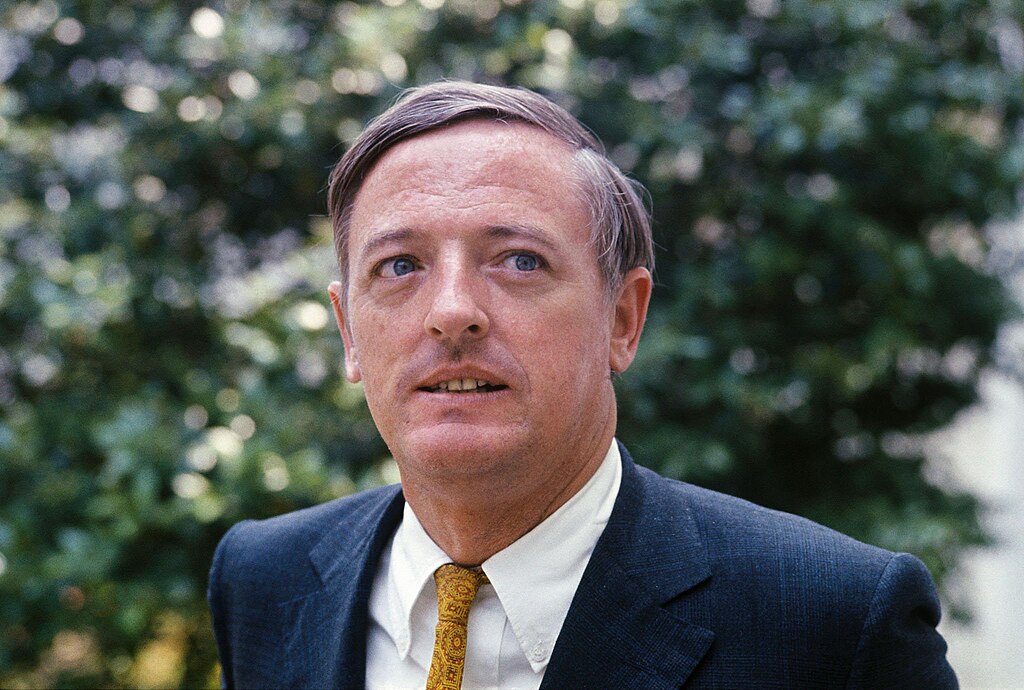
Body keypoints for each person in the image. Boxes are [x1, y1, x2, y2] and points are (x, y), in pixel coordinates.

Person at [208, 81, 956, 689]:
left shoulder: (832, 625)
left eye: (519, 260)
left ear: (623, 320)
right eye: (400, 266)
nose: (453, 313)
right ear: (348, 333)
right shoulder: (263, 582)